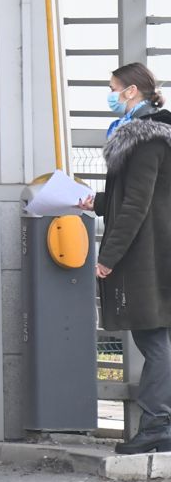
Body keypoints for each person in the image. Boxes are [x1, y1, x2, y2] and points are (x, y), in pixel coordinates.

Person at [81, 63, 171, 456]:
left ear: (131, 91)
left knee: (154, 340)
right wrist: (97, 202)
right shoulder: (155, 133)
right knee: (159, 338)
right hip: (159, 248)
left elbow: (137, 204)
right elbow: (145, 196)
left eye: (113, 88)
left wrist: (108, 256)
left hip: (149, 255)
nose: (111, 95)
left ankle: (156, 425)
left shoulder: (145, 138)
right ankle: (159, 423)